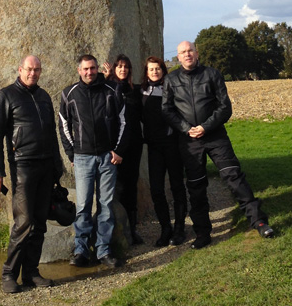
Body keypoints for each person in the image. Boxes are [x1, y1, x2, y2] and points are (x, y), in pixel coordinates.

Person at [162, 41, 274, 249]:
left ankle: (259, 221)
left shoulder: (212, 75)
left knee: (234, 177)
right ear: (177, 57)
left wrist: (205, 127)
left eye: (190, 51)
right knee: (196, 186)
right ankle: (203, 233)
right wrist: (187, 128)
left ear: (197, 53)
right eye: (183, 52)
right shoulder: (171, 80)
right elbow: (167, 110)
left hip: (215, 136)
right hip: (189, 141)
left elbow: (225, 107)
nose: (187, 55)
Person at [0, 55, 63, 294]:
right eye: (29, 69)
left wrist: (57, 164)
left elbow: (52, 133)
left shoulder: (43, 96)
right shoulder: (5, 95)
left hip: (45, 166)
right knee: (24, 222)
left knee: (40, 223)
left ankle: (31, 272)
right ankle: (9, 273)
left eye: (37, 69)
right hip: (22, 166)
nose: (33, 73)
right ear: (20, 70)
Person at [59, 53, 128, 268]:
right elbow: (63, 125)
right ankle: (81, 250)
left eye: (92, 68)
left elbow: (124, 122)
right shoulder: (69, 93)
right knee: (83, 205)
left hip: (107, 157)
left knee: (106, 204)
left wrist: (117, 150)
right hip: (82, 157)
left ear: (98, 68)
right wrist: (72, 153)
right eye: (85, 69)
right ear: (79, 70)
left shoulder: (111, 91)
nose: (89, 72)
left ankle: (103, 251)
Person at [141, 55, 187, 246]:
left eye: (157, 68)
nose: (154, 72)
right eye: (151, 69)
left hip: (172, 144)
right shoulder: (142, 90)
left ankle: (179, 228)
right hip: (154, 147)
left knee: (177, 186)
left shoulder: (171, 89)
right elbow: (121, 88)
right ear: (146, 72)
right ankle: (165, 227)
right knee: (157, 189)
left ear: (163, 70)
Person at [103, 54, 144, 244]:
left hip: (133, 145)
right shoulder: (109, 88)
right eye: (119, 66)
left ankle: (131, 231)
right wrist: (105, 78)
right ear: (114, 68)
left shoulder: (135, 91)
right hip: (114, 148)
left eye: (126, 66)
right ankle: (111, 233)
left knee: (130, 187)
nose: (123, 69)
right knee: (112, 187)